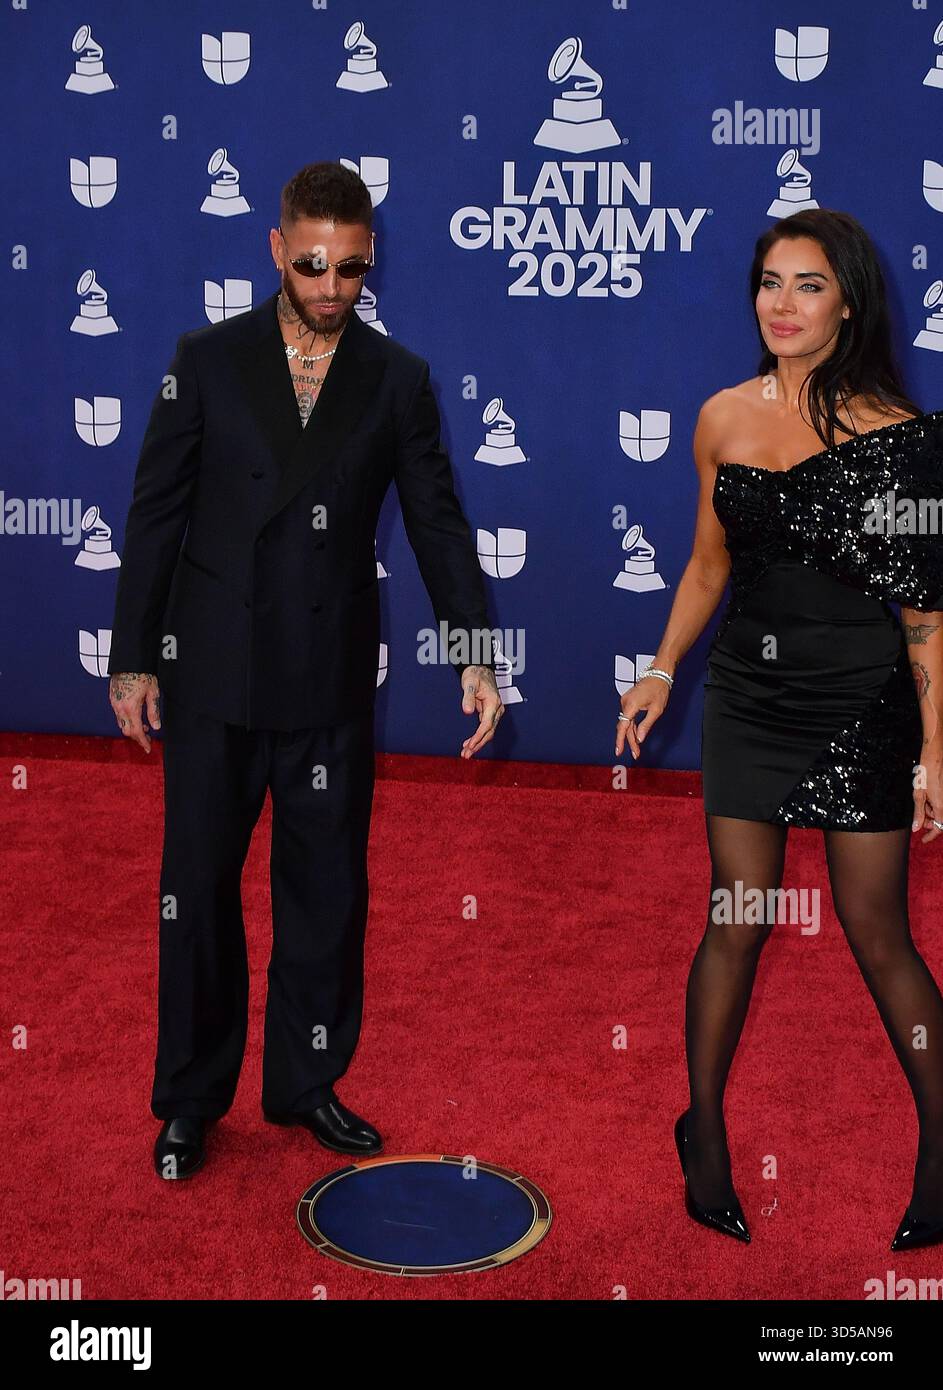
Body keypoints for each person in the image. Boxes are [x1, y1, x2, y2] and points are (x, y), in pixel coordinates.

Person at [107, 161, 503, 1180]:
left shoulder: (398, 377)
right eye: (315, 263)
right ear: (277, 248)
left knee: (326, 890)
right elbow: (154, 513)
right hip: (214, 669)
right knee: (194, 891)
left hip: (326, 672)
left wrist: (470, 646)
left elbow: (436, 520)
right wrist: (134, 655)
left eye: (352, 269)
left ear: (371, 261)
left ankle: (306, 1082)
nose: (332, 287)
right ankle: (191, 1099)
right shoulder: (205, 359)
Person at [615, 209, 943, 1250]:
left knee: (876, 930)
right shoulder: (721, 417)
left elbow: (925, 615)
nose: (782, 304)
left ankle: (942, 1141)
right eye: (769, 281)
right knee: (739, 915)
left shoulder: (906, 440)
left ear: (848, 301)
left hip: (862, 702)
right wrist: (662, 668)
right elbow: (709, 562)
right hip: (749, 706)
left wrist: (936, 748)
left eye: (806, 284)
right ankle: (701, 1129)